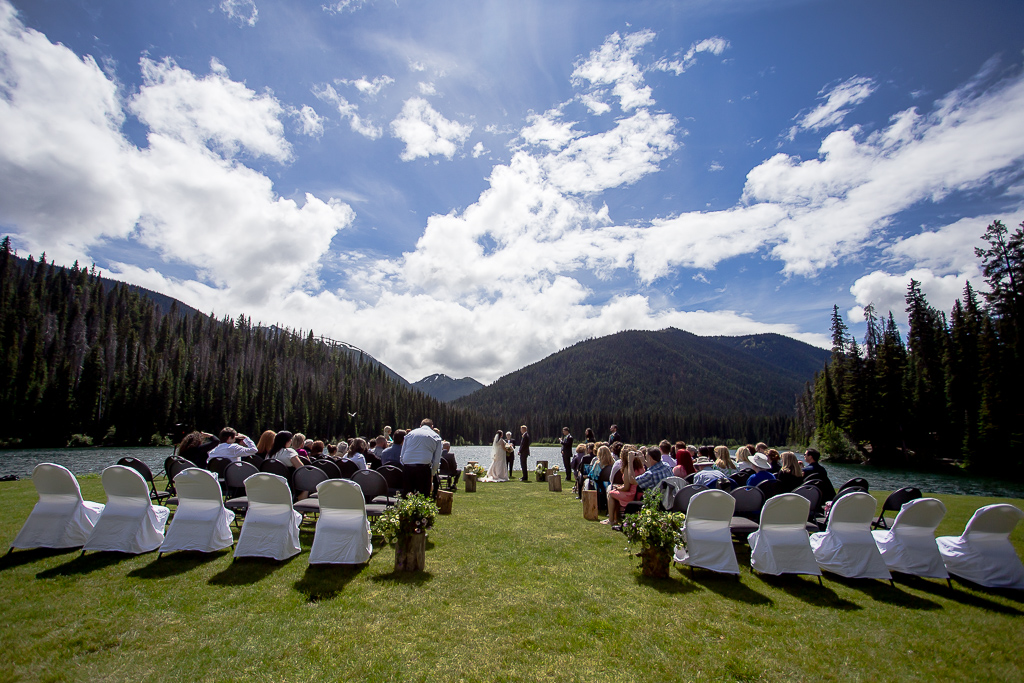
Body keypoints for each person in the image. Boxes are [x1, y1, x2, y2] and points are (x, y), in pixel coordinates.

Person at [401, 418, 444, 497]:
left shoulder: (409, 434)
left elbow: (402, 455)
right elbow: (437, 460)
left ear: (420, 426)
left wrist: (404, 465)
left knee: (407, 495)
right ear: (432, 427)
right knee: (423, 496)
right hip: (423, 468)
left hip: (408, 466)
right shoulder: (436, 436)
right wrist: (432, 474)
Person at [604, 450, 646, 526]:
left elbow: (626, 487)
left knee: (611, 493)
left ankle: (611, 519)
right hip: (639, 494)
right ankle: (616, 518)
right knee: (614, 492)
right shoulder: (641, 467)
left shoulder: (628, 468)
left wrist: (618, 488)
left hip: (630, 494)